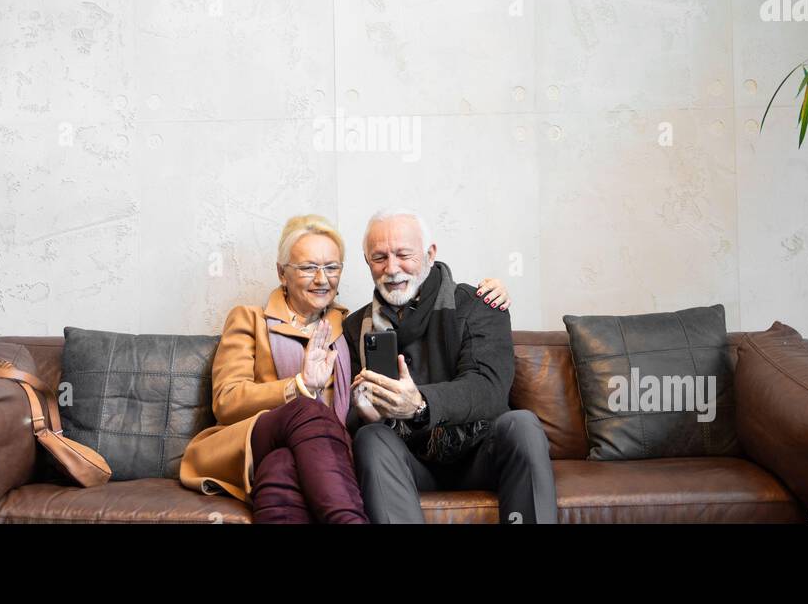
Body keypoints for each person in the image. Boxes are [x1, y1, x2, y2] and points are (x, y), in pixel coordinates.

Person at [178, 214, 511, 523]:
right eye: (308, 267)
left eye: (331, 267)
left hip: (319, 455)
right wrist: (299, 385)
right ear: (283, 272)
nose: (321, 279)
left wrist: (487, 293)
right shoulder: (249, 318)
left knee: (281, 468)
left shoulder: (351, 325)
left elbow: (359, 408)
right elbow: (226, 400)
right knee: (306, 411)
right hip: (254, 440)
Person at [346, 208, 557, 524]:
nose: (391, 268)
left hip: (480, 457)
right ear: (367, 262)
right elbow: (347, 417)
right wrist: (365, 415)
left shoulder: (479, 304)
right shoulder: (354, 327)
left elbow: (488, 389)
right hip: (410, 463)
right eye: (379, 258)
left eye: (404, 254)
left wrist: (419, 405)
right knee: (371, 437)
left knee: (522, 424)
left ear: (430, 254)